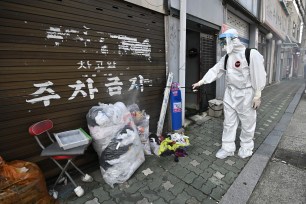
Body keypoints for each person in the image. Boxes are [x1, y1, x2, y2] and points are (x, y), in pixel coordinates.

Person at [192, 29, 266, 159]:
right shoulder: (227, 57)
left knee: (247, 122)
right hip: (230, 93)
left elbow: (259, 74)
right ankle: (227, 148)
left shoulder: (251, 54)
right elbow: (215, 70)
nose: (222, 45)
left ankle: (246, 147)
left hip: (246, 94)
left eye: (223, 42)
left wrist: (257, 95)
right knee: (229, 122)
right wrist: (201, 82)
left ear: (232, 40)